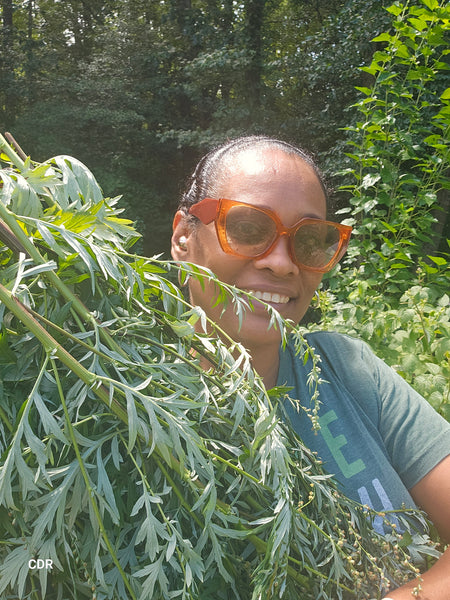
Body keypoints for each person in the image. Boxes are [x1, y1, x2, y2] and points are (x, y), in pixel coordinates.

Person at [171, 135, 450, 599]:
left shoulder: (346, 369)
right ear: (184, 236)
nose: (282, 263)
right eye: (246, 227)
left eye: (311, 240)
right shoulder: (119, 405)